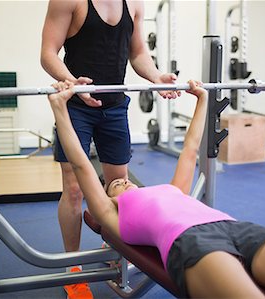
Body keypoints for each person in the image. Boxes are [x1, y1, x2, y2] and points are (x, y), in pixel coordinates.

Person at [48, 80, 265, 299]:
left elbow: (189, 149)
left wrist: (202, 100)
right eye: (114, 184)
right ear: (109, 201)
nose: (123, 179)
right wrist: (60, 109)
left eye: (122, 177)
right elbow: (81, 163)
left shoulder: (174, 189)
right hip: (192, 243)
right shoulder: (113, 216)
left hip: (238, 229)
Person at [40, 1, 179, 296]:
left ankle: (114, 252)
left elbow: (138, 52)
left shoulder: (134, 3)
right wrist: (71, 82)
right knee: (75, 188)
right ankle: (74, 268)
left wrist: (156, 76)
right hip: (76, 106)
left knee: (118, 187)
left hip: (115, 106)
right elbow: (48, 53)